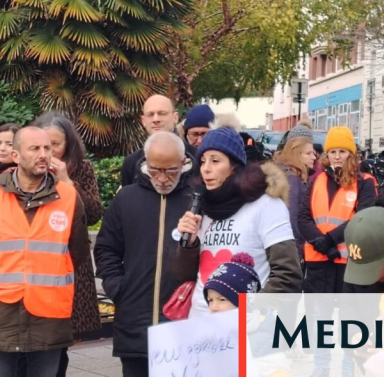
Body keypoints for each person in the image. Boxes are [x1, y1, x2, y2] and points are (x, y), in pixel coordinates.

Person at [0, 126, 89, 377]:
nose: (43, 154)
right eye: (34, 149)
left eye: (47, 148)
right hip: (0, 313)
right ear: (16, 156)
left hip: (49, 314)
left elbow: (77, 251)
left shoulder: (68, 196)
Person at [94, 131, 199, 377]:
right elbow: (105, 248)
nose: (162, 178)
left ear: (184, 163)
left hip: (180, 325)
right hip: (134, 328)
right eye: (155, 169)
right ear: (145, 162)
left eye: (170, 170)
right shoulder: (126, 198)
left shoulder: (195, 200)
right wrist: (119, 288)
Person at [177, 127, 302, 318]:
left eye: (215, 161)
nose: (206, 168)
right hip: (201, 325)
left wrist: (251, 312)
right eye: (202, 161)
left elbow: (287, 274)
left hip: (248, 326)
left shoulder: (266, 204)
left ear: (234, 165)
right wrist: (189, 245)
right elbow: (183, 276)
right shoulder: (201, 205)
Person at [298, 126, 376, 377]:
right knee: (321, 320)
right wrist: (320, 242)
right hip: (319, 260)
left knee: (348, 320)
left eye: (342, 151)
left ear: (351, 154)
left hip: (347, 263)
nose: (337, 156)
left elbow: (361, 217)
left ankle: (346, 368)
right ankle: (321, 368)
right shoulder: (316, 180)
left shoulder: (364, 183)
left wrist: (329, 240)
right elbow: (303, 217)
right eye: (333, 151)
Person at [32, 112, 103, 377]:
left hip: (70, 262)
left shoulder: (81, 168)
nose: (49, 152)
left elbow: (94, 213)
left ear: (69, 145)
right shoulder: (25, 170)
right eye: (43, 145)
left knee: (59, 342)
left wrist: (67, 183)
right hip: (36, 264)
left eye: (55, 145)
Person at [120, 95, 196, 186]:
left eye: (162, 113)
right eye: (150, 115)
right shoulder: (131, 163)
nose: (156, 119)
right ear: (143, 121)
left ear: (175, 117)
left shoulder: (197, 158)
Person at [273, 120, 317, 268]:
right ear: (297, 154)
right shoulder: (293, 179)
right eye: (308, 153)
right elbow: (293, 220)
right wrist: (299, 255)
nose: (314, 157)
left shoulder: (287, 173)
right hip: (292, 252)